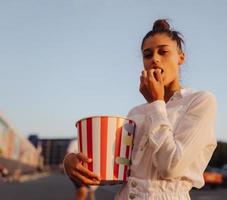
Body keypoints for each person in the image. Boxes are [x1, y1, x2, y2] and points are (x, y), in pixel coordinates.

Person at [64, 19, 217, 200]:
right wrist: (73, 162)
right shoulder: (135, 113)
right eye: (147, 55)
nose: (155, 59)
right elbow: (115, 169)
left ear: (181, 57)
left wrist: (156, 103)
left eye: (163, 52)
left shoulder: (199, 101)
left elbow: (171, 167)